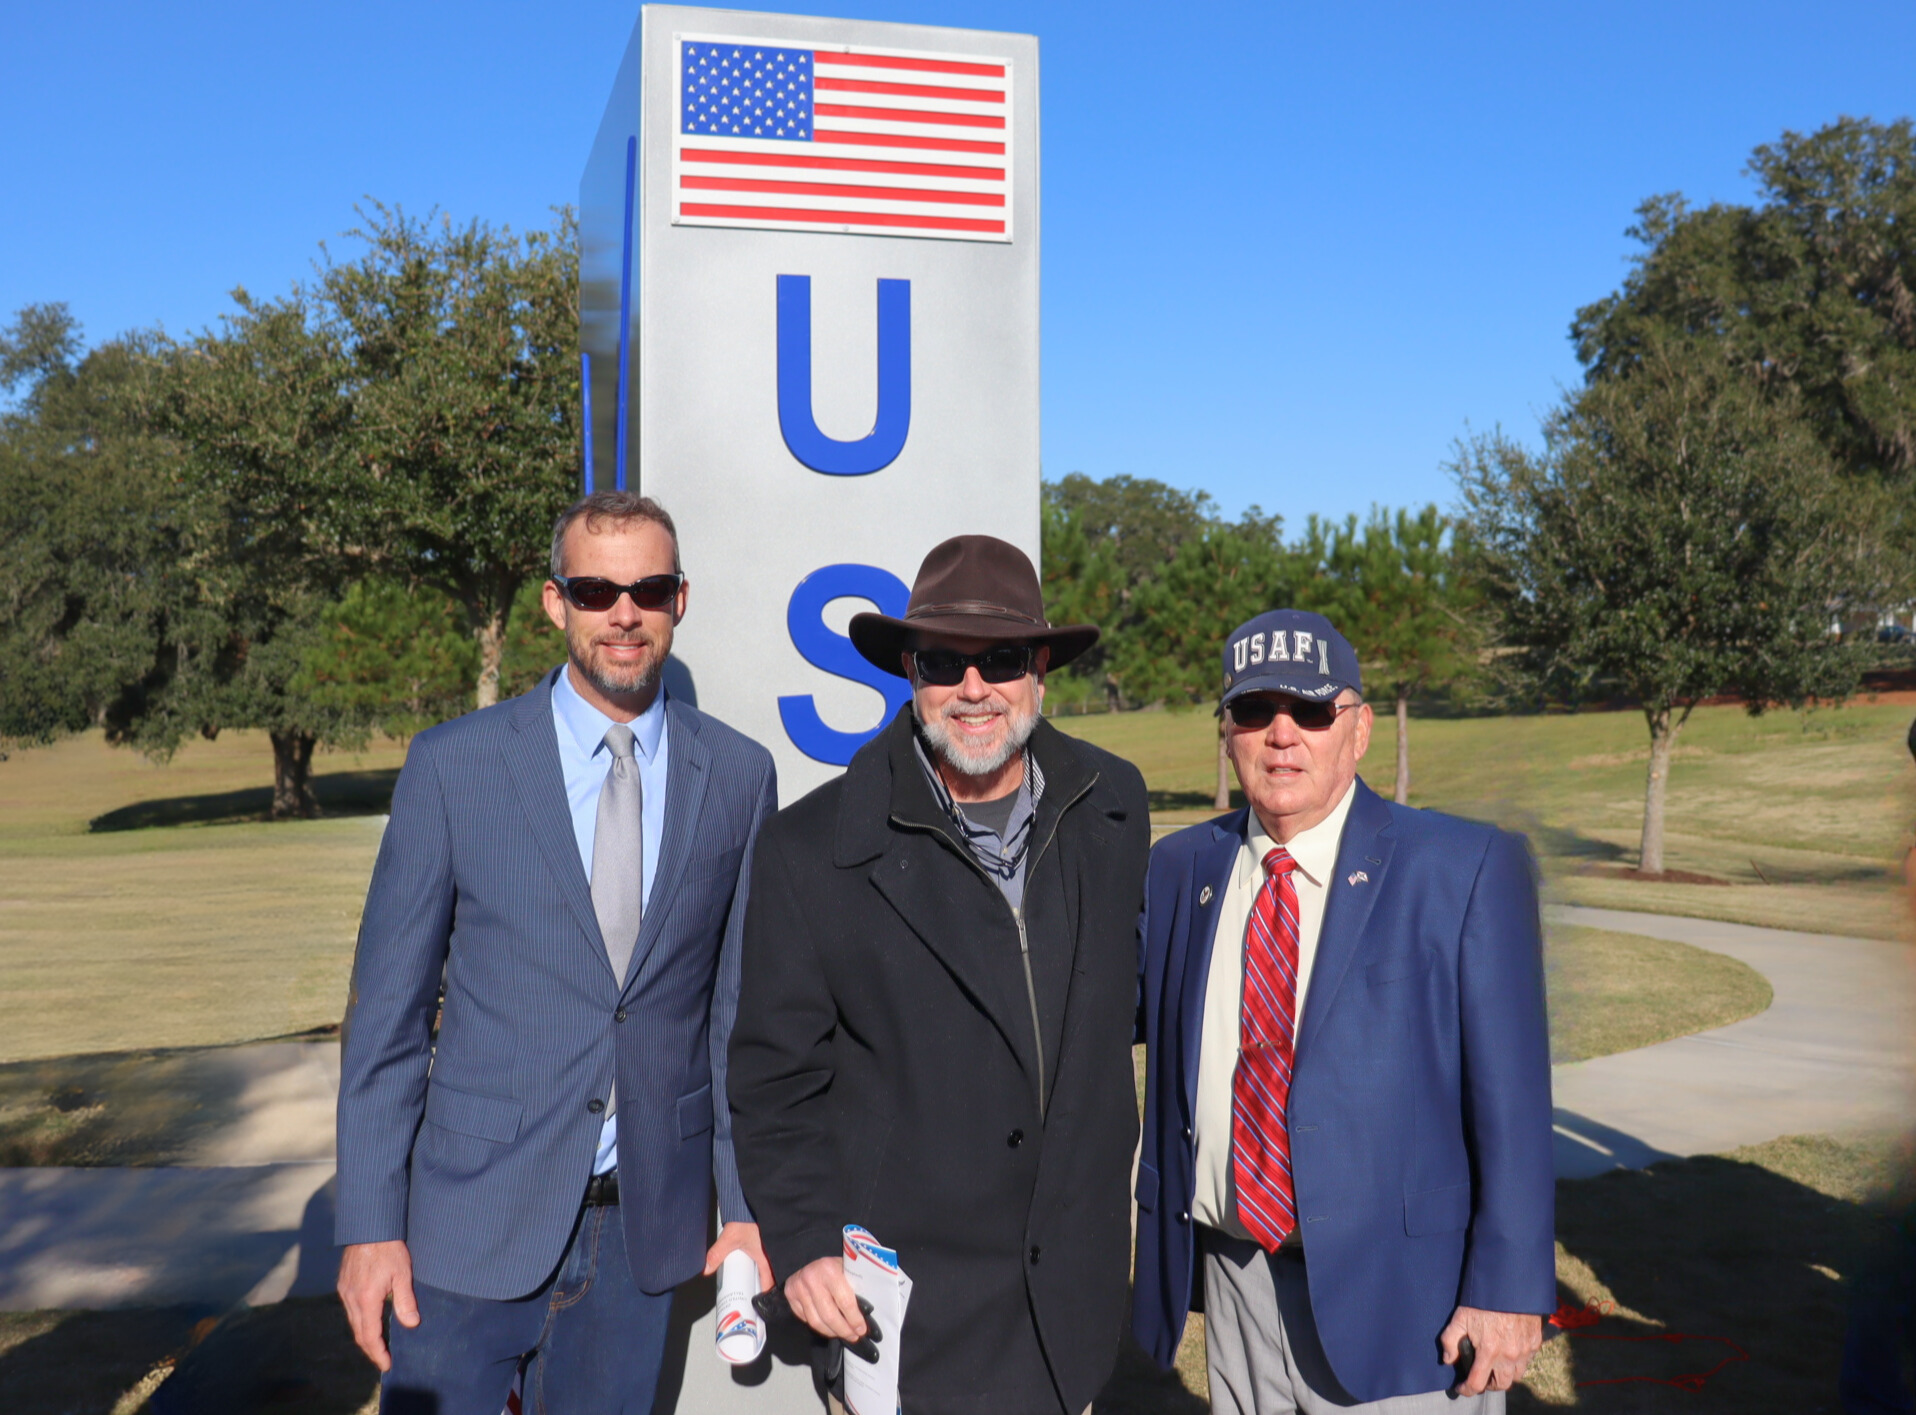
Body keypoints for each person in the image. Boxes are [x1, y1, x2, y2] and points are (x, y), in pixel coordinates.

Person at [334, 490, 776, 1414]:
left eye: (648, 589)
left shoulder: (737, 775)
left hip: (641, 1233)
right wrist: (370, 1225)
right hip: (465, 1225)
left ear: (679, 600)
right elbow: (388, 1015)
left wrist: (740, 1206)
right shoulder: (453, 766)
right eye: (594, 588)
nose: (623, 612)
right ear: (554, 600)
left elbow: (737, 1018)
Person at [728, 534, 1150, 1415]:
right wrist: (803, 1243)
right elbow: (774, 1080)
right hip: (909, 1319)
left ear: (1038, 668)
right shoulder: (812, 848)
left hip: (1073, 1305)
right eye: (942, 661)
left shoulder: (1114, 804)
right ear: (909, 672)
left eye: (998, 659)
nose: (972, 688)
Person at [1133, 609, 1555, 1414]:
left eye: (1313, 711)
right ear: (1228, 734)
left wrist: (1507, 1286)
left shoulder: (1463, 866)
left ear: (1357, 730)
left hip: (1407, 1305)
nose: (1282, 735)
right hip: (1236, 1276)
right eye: (1255, 712)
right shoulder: (1183, 867)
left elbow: (1513, 1102)